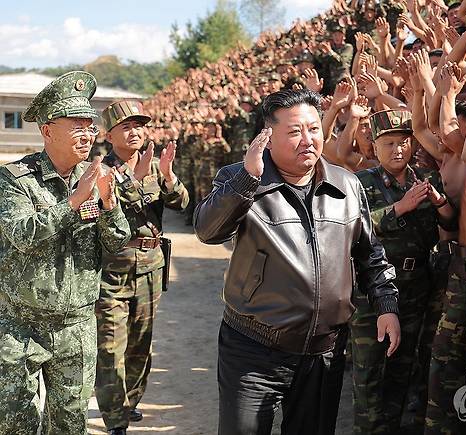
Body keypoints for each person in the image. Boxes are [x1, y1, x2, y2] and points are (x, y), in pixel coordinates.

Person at [193, 88, 401, 435]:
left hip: (324, 350)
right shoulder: (240, 178)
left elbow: (369, 254)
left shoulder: (346, 185)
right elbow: (208, 230)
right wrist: (247, 179)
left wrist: (386, 304)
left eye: (314, 129)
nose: (308, 140)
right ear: (268, 136)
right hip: (253, 348)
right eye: (294, 131)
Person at [0, 71, 131, 434]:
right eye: (76, 125)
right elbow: (21, 233)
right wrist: (74, 202)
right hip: (20, 327)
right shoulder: (15, 180)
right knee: (16, 424)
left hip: (77, 327)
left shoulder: (95, 178)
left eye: (90, 125)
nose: (87, 134)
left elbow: (118, 241)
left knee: (70, 425)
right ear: (47, 131)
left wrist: (107, 203)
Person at [352, 109, 456, 435]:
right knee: (370, 372)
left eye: (404, 142)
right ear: (375, 146)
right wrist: (399, 208)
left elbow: (452, 225)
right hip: (375, 290)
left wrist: (438, 201)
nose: (398, 149)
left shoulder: (427, 179)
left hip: (417, 287)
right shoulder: (360, 183)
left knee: (404, 368)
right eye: (390, 143)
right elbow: (353, 228)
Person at [95, 100, 189, 435]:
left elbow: (181, 202)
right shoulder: (100, 171)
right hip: (113, 271)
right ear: (110, 134)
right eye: (126, 126)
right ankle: (114, 418)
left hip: (150, 266)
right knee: (110, 348)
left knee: (140, 343)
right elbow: (108, 214)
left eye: (139, 125)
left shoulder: (153, 166)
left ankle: (129, 403)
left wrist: (167, 175)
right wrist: (132, 182)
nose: (135, 132)